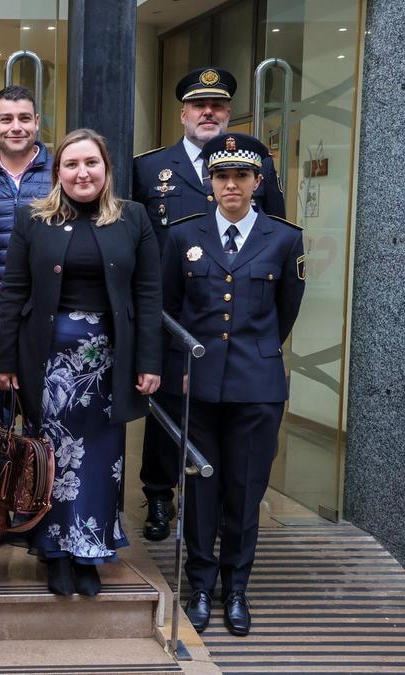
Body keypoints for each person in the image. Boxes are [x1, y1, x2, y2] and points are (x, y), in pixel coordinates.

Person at [0, 128, 162, 598]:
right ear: (57, 173)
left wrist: (150, 360)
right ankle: (53, 551)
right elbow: (15, 291)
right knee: (50, 456)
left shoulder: (133, 218)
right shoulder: (33, 218)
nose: (81, 172)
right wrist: (4, 360)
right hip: (46, 361)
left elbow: (149, 294)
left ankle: (89, 549)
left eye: (91, 163)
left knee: (100, 459)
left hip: (109, 362)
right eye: (71, 164)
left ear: (106, 169)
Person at [131, 66, 286, 542]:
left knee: (218, 420)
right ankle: (159, 494)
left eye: (217, 106)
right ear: (183, 113)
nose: (208, 113)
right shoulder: (149, 168)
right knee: (167, 406)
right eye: (199, 106)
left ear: (228, 114)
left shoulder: (257, 167)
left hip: (233, 313)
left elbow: (275, 236)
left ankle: (213, 508)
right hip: (169, 309)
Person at [164, 133, 305, 638]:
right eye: (222, 176)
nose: (231, 185)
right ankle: (200, 584)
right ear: (210, 182)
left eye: (241, 176)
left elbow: (285, 309)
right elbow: (172, 307)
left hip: (258, 385)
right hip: (199, 384)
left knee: (245, 492)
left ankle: (236, 588)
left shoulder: (285, 238)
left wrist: (258, 352)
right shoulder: (183, 236)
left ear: (256, 183)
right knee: (202, 488)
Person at [0, 85, 52, 554]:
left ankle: (42, 513)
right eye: (6, 119)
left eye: (24, 118)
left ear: (36, 121)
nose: (15, 126)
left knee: (44, 415)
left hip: (47, 315)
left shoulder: (58, 174)